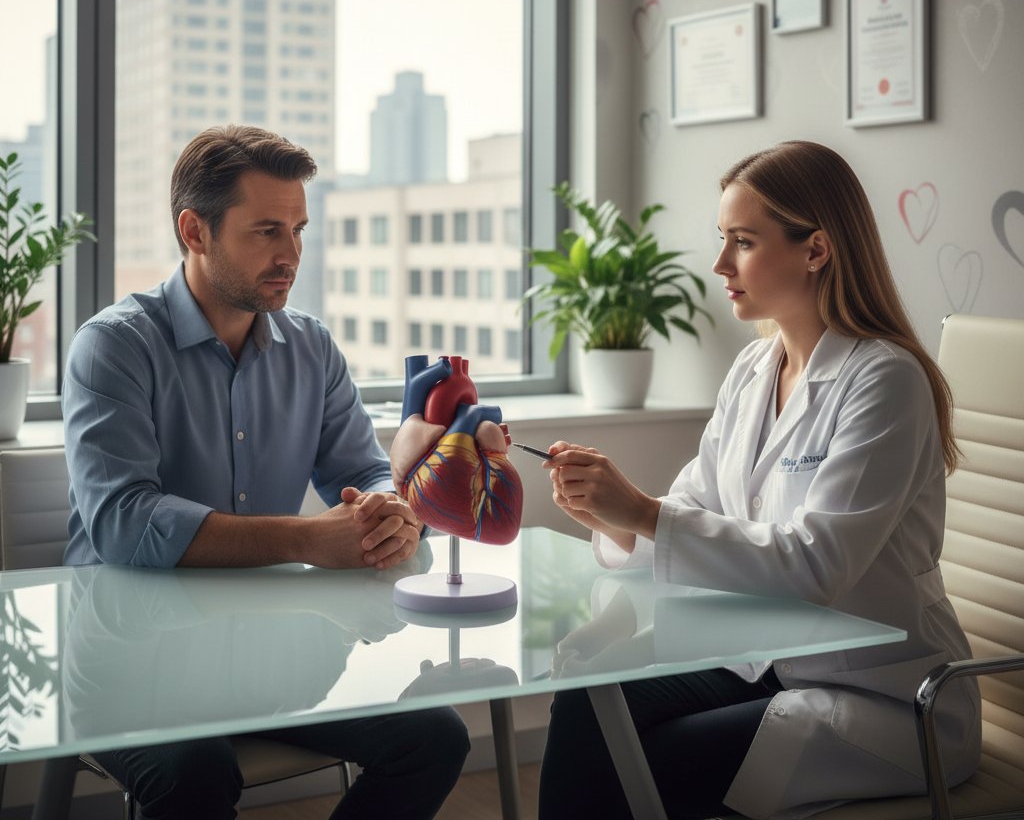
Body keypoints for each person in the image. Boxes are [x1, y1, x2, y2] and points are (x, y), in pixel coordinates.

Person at [537, 141, 981, 820]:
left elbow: (817, 567)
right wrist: (618, 518)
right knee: (595, 700)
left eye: (742, 242)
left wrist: (646, 513)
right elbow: (693, 508)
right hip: (773, 663)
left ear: (816, 250)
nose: (720, 265)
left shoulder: (886, 381)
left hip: (886, 696)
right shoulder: (754, 369)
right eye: (723, 241)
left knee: (643, 764)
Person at [62, 124, 469, 819]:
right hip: (132, 661)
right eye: (266, 232)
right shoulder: (113, 346)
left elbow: (364, 468)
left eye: (300, 230)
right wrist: (308, 540)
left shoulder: (311, 346)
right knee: (196, 774)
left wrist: (385, 514)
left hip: (268, 652)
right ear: (195, 230)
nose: (291, 256)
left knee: (435, 737)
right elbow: (124, 523)